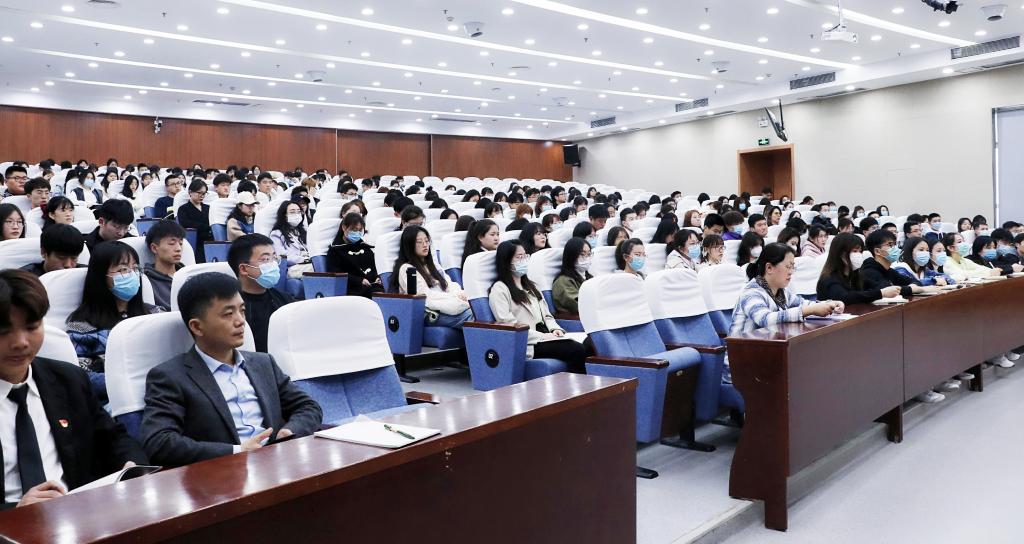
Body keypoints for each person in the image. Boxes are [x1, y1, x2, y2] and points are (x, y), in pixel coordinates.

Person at [140, 272, 322, 468]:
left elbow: (308, 407)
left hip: (278, 464)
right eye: (228, 314)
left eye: (242, 310)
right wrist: (237, 451)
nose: (240, 321)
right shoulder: (170, 376)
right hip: (223, 473)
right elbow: (159, 442)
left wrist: (289, 432)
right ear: (197, 327)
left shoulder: (263, 363)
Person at [0, 270, 148, 509]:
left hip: (80, 515)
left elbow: (113, 438)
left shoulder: (68, 379)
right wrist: (16, 511)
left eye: (32, 327)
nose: (20, 342)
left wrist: (131, 465)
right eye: (3, 332)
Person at [66, 241, 157, 398]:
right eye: (123, 269)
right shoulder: (81, 327)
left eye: (135, 268)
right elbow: (83, 377)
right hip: (117, 400)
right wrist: (135, 384)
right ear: (101, 277)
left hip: (164, 394)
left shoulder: (155, 314)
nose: (132, 275)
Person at [489, 241, 587, 372]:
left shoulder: (531, 286)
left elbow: (547, 315)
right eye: (519, 257)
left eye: (525, 256)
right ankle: (577, 385)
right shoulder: (500, 289)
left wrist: (554, 329)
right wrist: (543, 336)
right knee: (576, 349)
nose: (524, 260)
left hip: (546, 335)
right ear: (506, 261)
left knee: (587, 344)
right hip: (529, 341)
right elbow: (509, 325)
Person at [391, 227, 472, 329]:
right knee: (472, 317)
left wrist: (459, 294)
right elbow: (423, 295)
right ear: (409, 245)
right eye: (419, 242)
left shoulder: (431, 265)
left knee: (476, 310)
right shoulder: (407, 268)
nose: (425, 245)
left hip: (446, 305)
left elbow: (447, 284)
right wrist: (453, 296)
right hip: (429, 311)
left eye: (426, 241)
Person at [228, 234, 295, 352]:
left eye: (274, 258)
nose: (273, 265)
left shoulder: (284, 299)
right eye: (265, 260)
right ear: (243, 269)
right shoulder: (231, 307)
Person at [817, 232, 902, 304]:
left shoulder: (856, 275)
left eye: (860, 251)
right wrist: (880, 293)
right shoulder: (828, 279)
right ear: (840, 254)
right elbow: (845, 297)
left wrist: (893, 289)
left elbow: (878, 286)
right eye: (854, 251)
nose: (858, 255)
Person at [861, 230, 937, 298]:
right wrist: (915, 289)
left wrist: (912, 287)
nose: (895, 248)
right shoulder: (869, 271)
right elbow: (888, 290)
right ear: (877, 251)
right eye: (890, 245)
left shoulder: (889, 271)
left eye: (895, 244)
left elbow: (914, 281)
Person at [326, 212, 383, 298]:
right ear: (344, 227)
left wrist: (377, 277)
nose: (357, 233)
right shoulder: (335, 250)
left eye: (360, 230)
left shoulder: (364, 246)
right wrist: (358, 280)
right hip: (351, 288)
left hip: (371, 285)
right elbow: (335, 273)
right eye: (354, 230)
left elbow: (374, 265)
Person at [143, 220, 187, 311]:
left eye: (181, 243)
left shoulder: (189, 276)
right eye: (172, 243)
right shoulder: (146, 281)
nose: (178, 249)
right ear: (154, 248)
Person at [20, 224, 84, 277]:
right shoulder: (24, 278)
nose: (68, 265)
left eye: (74, 258)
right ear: (43, 252)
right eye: (61, 258)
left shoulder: (84, 273)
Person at [269, 201, 313, 279]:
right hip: (292, 267)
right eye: (292, 212)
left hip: (307, 263)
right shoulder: (276, 234)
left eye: (299, 212)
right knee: (317, 268)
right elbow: (282, 256)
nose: (297, 215)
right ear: (284, 215)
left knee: (321, 265)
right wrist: (304, 259)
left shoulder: (303, 231)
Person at [552, 237, 592, 315]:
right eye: (582, 254)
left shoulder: (589, 277)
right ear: (571, 256)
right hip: (577, 318)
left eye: (589, 254)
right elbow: (580, 305)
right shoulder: (563, 281)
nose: (587, 258)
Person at [175, 179, 212, 263]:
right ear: (190, 192)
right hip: (194, 241)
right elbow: (186, 224)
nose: (202, 196)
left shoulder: (208, 208)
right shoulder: (183, 209)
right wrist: (206, 227)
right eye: (199, 193)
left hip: (209, 240)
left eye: (204, 193)